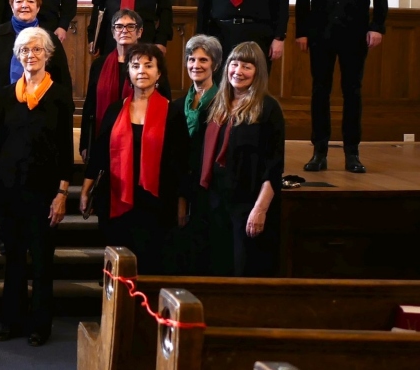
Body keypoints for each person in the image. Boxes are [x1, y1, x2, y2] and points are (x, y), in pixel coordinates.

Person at [0, 26, 74, 346]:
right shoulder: (5, 96)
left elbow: (66, 149)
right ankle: (12, 322)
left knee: (41, 262)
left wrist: (62, 193)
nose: (30, 55)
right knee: (13, 261)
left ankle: (40, 325)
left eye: (36, 50)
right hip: (10, 193)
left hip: (44, 193)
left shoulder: (60, 96)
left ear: (47, 55)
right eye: (24, 50)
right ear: (17, 55)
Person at [296, 0, 389, 174]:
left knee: (353, 92)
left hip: (355, 31)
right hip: (320, 32)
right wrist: (302, 31)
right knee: (319, 92)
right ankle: (319, 152)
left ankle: (352, 153)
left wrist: (378, 26)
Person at [81, 43, 187, 274]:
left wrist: (181, 201)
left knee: (152, 266)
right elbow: (100, 153)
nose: (142, 71)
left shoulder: (173, 112)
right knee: (120, 267)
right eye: (135, 65)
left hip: (157, 204)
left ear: (159, 73)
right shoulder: (115, 109)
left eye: (149, 65)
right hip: (117, 200)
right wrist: (86, 187)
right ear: (128, 71)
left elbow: (181, 162)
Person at [196, 42, 285, 277]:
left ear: (258, 72)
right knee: (216, 268)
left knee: (242, 269)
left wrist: (260, 209)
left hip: (247, 205)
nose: (238, 71)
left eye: (247, 66)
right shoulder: (217, 104)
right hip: (215, 203)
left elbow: (274, 166)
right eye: (234, 64)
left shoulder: (268, 108)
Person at [80, 10, 170, 164]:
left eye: (130, 26)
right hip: (104, 137)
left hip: (141, 140)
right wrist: (84, 144)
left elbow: (165, 101)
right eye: (119, 27)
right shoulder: (99, 65)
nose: (124, 31)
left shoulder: (150, 63)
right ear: (113, 32)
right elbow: (90, 105)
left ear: (140, 32)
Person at [168, 34, 223, 275]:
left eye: (203, 60)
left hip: (211, 190)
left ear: (215, 65)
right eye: (191, 59)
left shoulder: (224, 103)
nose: (196, 65)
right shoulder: (177, 105)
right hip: (181, 184)